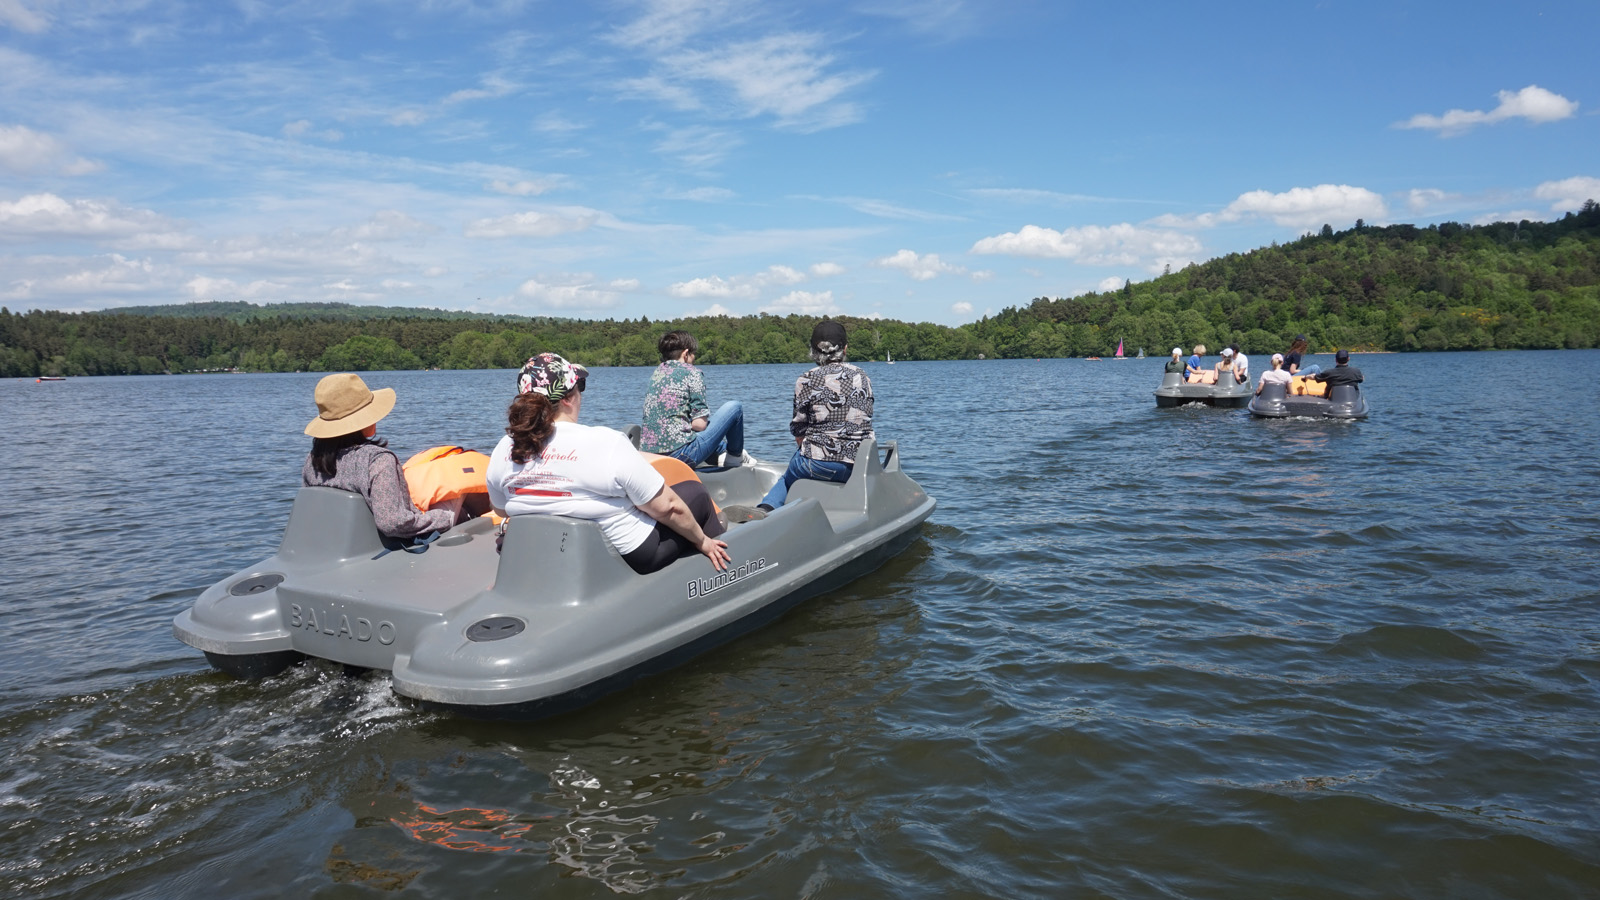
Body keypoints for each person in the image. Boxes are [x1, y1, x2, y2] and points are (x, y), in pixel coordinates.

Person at [488, 353, 730, 574]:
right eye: (580, 386)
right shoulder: (606, 442)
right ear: (568, 399)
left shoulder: (505, 447)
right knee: (694, 493)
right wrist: (701, 541)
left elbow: (500, 509)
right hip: (628, 555)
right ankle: (718, 560)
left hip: (546, 550)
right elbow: (669, 508)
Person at [302, 373, 459, 540]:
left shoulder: (312, 460)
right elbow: (393, 523)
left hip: (337, 543)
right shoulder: (377, 461)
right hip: (387, 544)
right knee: (459, 489)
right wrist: (442, 518)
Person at [755, 321, 874, 514]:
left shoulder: (806, 379)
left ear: (813, 351)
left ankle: (765, 508)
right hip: (860, 465)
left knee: (788, 476)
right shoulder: (862, 376)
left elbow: (799, 429)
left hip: (818, 465)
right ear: (845, 348)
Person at [639, 330, 747, 468]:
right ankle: (735, 456)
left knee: (692, 425)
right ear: (685, 354)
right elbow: (699, 425)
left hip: (650, 457)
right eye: (693, 354)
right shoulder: (692, 373)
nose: (694, 358)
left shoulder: (657, 373)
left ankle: (721, 452)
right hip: (681, 456)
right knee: (734, 407)